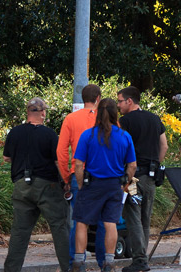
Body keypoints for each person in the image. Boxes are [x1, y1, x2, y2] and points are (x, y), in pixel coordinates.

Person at [3, 98, 70, 272]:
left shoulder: (14, 133)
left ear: (27, 112)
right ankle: (68, 267)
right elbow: (58, 161)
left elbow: (7, 158)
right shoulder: (49, 134)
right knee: (59, 227)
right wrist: (66, 181)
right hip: (47, 186)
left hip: (21, 186)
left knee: (19, 231)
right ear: (42, 113)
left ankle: (11, 269)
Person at [72, 98, 137, 272]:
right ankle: (109, 262)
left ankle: (79, 261)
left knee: (82, 222)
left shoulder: (88, 135)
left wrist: (80, 185)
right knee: (110, 223)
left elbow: (78, 164)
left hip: (92, 184)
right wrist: (125, 182)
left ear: (98, 113)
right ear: (116, 113)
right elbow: (132, 165)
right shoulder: (125, 136)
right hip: (114, 186)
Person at [117, 86, 168, 272]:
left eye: (120, 101)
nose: (118, 106)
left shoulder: (125, 121)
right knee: (145, 219)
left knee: (133, 217)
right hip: (151, 177)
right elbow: (165, 145)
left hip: (134, 177)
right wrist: (155, 163)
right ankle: (142, 257)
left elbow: (120, 148)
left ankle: (139, 260)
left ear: (129, 101)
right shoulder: (154, 119)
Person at [57, 84, 107, 269]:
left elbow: (61, 151)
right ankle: (104, 262)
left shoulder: (70, 119)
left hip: (79, 174)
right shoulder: (106, 120)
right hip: (103, 175)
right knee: (104, 222)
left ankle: (76, 262)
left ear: (82, 98)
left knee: (79, 221)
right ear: (98, 99)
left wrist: (66, 177)